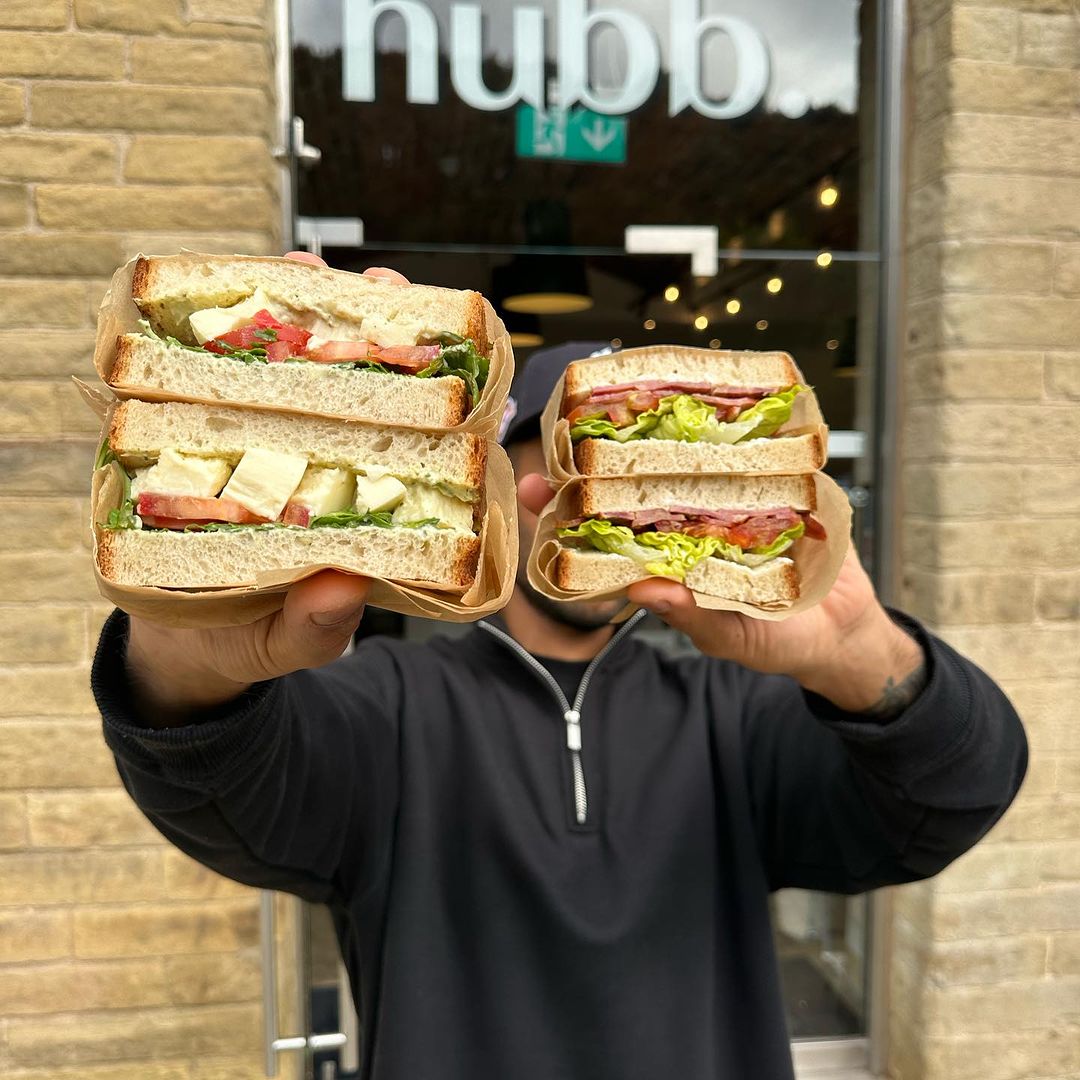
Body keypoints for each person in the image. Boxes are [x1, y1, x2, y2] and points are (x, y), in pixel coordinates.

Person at [91, 257, 1027, 1080]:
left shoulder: (738, 716)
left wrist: (857, 653)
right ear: (507, 493)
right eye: (567, 478)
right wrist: (184, 660)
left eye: (649, 484)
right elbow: (223, 801)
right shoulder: (389, 705)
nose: (604, 503)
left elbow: (952, 800)